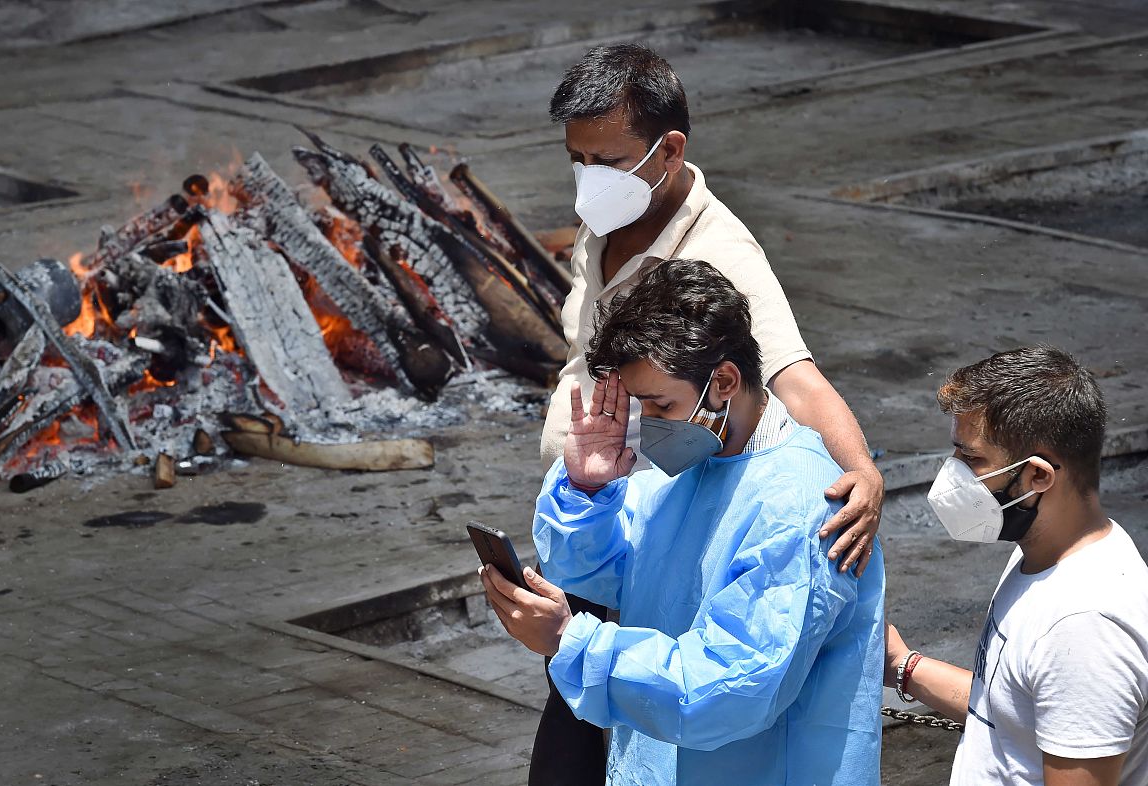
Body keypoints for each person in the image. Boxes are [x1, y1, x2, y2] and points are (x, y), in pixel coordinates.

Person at [533, 42, 885, 783]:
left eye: (607, 160)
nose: (588, 180)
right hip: (628, 503)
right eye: (578, 159)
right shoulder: (671, 469)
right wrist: (588, 493)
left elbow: (798, 376)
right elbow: (606, 571)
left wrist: (862, 475)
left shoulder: (786, 506)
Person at [481, 258, 885, 785]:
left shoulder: (803, 504)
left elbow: (731, 689)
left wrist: (570, 640)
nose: (649, 426)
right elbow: (605, 569)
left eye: (662, 405)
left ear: (723, 381)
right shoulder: (688, 467)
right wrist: (586, 490)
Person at [886, 345, 1148, 786]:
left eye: (971, 459)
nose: (952, 473)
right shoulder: (1040, 558)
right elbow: (1008, 709)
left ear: (1038, 477)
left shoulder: (1085, 626)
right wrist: (901, 665)